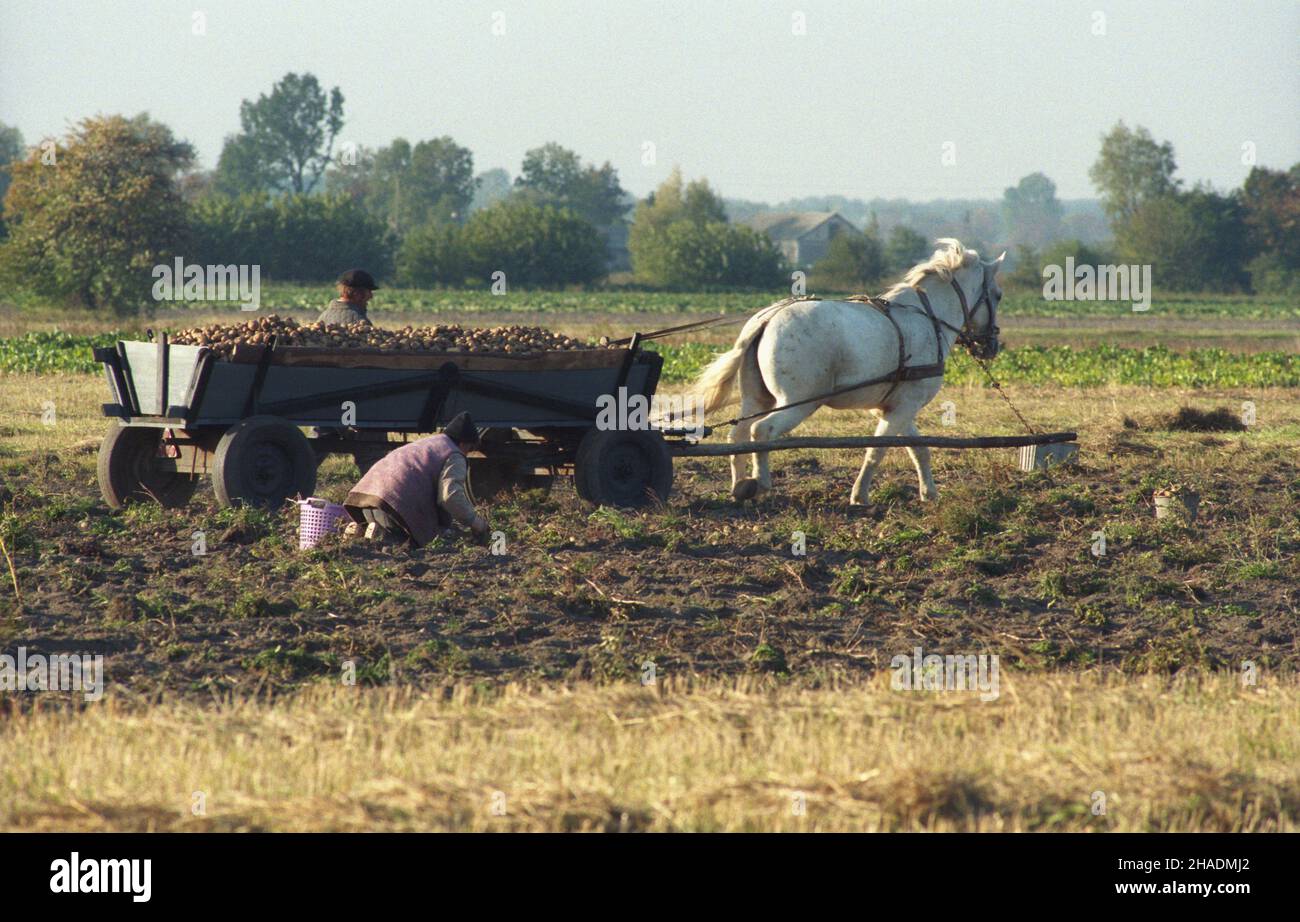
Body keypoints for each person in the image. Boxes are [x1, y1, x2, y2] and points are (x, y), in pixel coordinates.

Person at [344, 412, 490, 548]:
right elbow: (450, 497)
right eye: (470, 448)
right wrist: (475, 522)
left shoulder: (430, 444)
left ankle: (362, 528)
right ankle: (382, 534)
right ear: (464, 443)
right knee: (412, 543)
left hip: (365, 500)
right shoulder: (454, 454)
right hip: (392, 507)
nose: (467, 453)